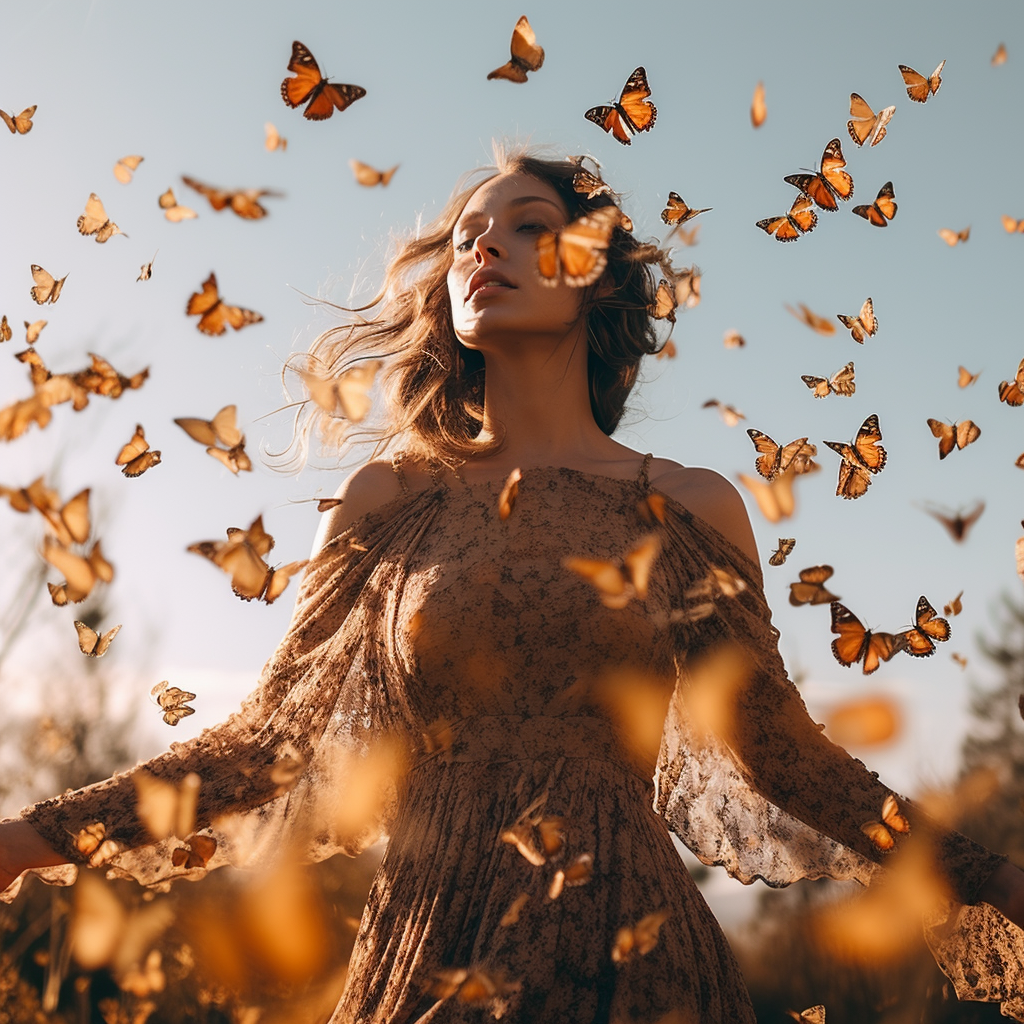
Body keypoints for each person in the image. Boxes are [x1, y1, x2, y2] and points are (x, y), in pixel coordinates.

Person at [2, 148, 1023, 1023]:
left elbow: (787, 760)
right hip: (429, 948)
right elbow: (263, 746)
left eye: (525, 225)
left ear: (595, 268)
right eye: (461, 240)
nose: (479, 249)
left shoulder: (691, 506)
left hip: (641, 963)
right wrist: (22, 840)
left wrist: (995, 879)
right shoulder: (386, 501)